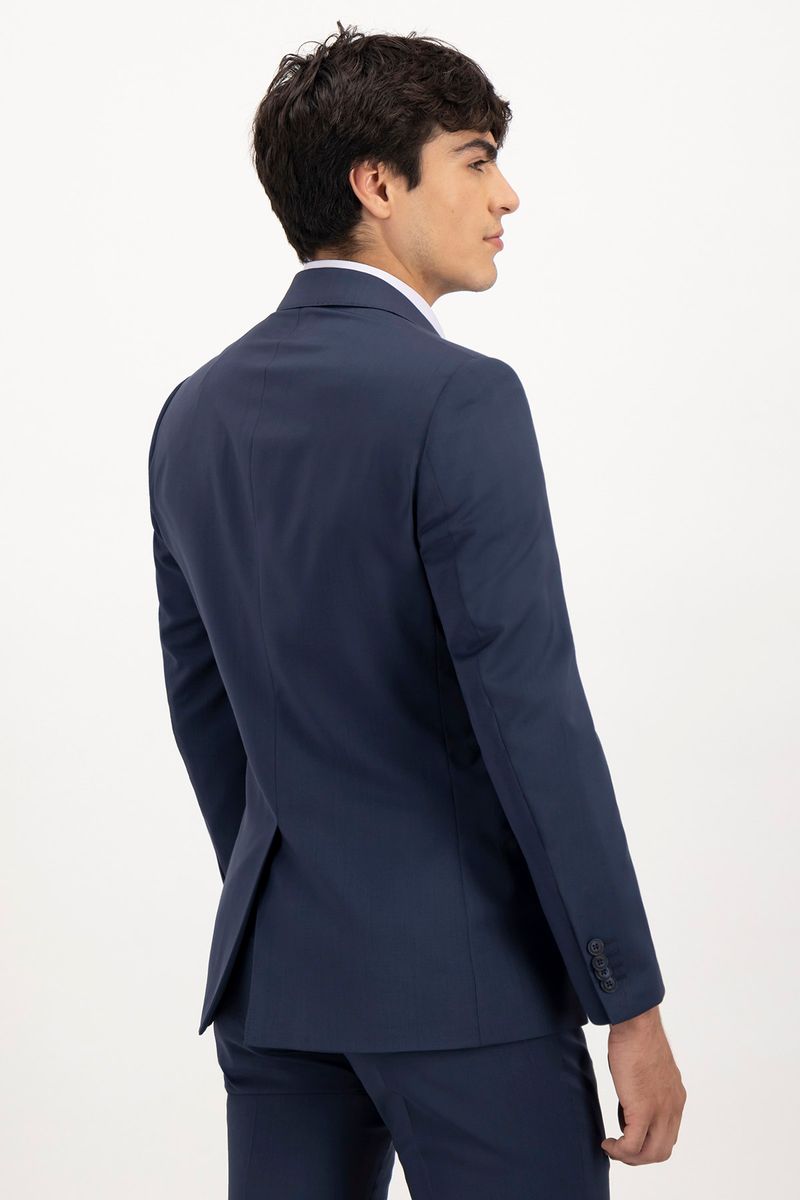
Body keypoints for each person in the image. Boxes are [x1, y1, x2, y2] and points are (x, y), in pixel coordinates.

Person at [148, 21, 686, 1198]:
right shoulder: (459, 398)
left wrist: (306, 887)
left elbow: (205, 711)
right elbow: (530, 716)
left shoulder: (193, 413)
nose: (506, 196)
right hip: (464, 986)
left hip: (275, 983)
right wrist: (627, 1000)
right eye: (475, 159)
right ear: (377, 186)